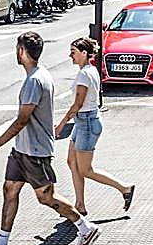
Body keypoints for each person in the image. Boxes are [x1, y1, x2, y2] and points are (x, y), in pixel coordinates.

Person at [0, 32, 101, 245]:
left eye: (17, 48)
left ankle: (86, 228)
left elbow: (22, 120)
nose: (16, 52)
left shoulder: (34, 81)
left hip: (34, 151)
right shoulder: (39, 75)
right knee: (10, 189)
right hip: (22, 150)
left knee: (46, 197)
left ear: (22, 51)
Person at [57, 37, 135, 215]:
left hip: (86, 123)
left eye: (73, 52)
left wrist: (61, 125)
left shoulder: (85, 74)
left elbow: (77, 104)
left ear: (84, 53)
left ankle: (124, 188)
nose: (70, 55)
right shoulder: (89, 70)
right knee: (72, 162)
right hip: (83, 122)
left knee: (85, 170)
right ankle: (80, 206)